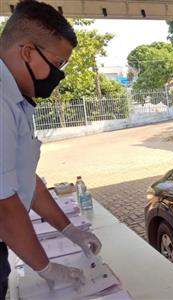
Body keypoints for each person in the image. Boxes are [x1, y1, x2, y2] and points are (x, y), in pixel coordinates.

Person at [0, 1, 102, 298]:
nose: (59, 76)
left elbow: (23, 177)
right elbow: (5, 208)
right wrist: (47, 269)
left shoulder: (15, 98)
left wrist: (70, 230)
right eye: (57, 64)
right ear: (27, 52)